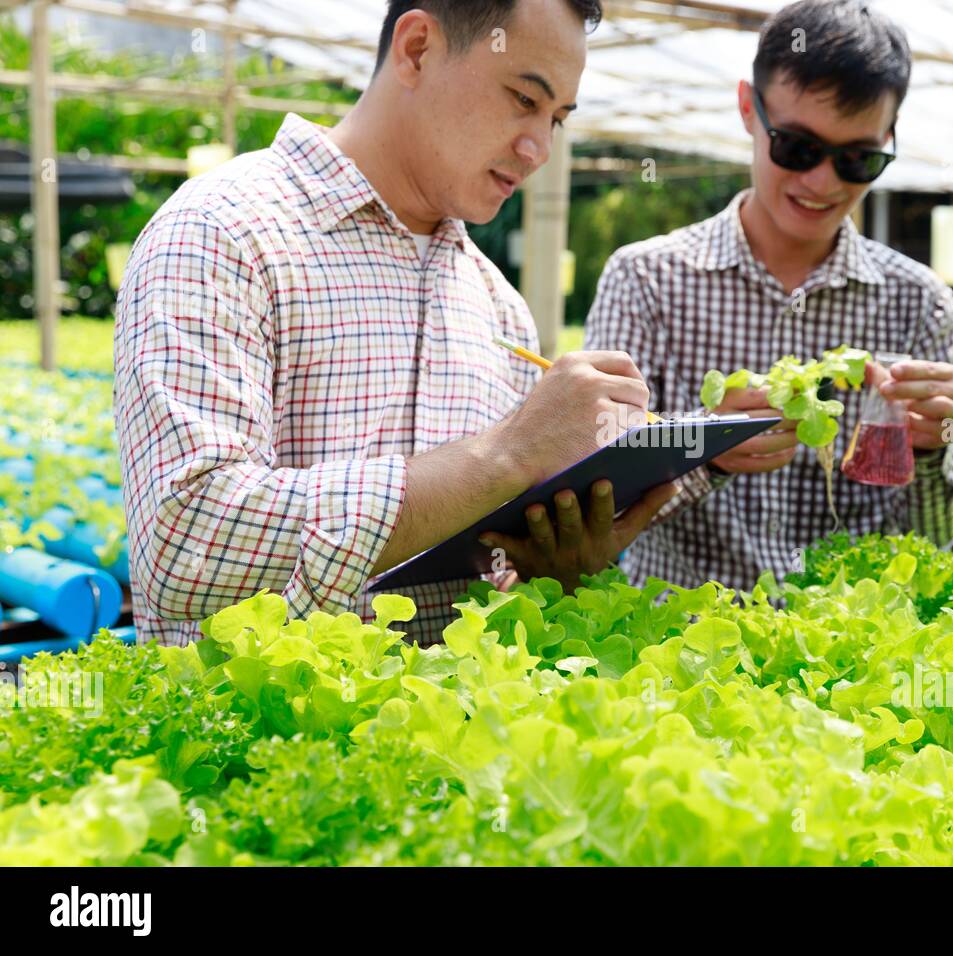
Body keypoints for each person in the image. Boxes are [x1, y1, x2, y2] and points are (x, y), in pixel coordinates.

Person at [114, 0, 676, 647]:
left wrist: (547, 570)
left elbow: (486, 587)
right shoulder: (222, 233)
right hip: (257, 745)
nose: (539, 148)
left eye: (557, 118)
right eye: (524, 99)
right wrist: (502, 456)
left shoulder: (497, 305)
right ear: (416, 49)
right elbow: (187, 545)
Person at [584, 0, 953, 592]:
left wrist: (933, 448)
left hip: (848, 655)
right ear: (749, 108)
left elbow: (932, 538)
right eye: (797, 148)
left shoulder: (918, 304)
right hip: (673, 653)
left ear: (889, 140)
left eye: (857, 159)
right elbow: (594, 502)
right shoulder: (647, 281)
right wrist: (704, 449)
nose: (821, 183)